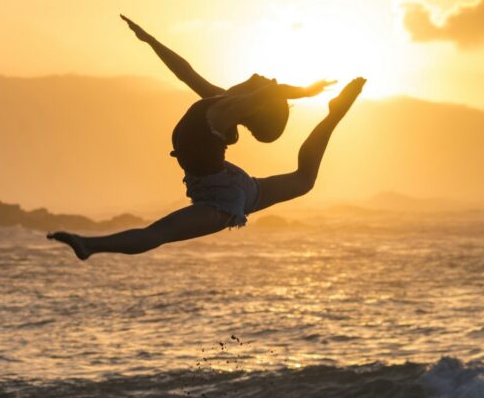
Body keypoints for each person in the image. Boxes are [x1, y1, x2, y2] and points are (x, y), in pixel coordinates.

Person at [47, 16, 366, 260]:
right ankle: (335, 114)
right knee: (303, 179)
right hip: (228, 183)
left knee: (157, 234)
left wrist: (305, 91)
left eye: (267, 82)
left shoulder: (226, 112)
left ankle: (89, 245)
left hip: (222, 197)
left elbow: (269, 90)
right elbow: (184, 71)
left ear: (259, 105)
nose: (267, 76)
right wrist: (150, 41)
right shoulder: (219, 102)